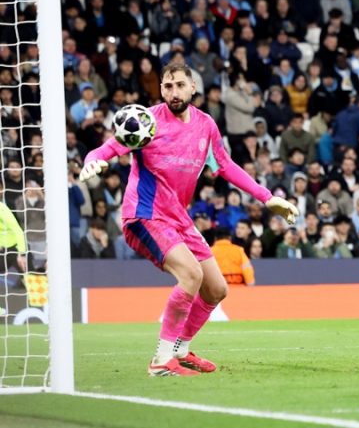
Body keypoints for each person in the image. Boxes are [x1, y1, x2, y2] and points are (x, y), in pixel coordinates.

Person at [79, 64, 299, 376]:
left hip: (179, 218)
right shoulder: (146, 121)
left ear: (193, 87)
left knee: (216, 288)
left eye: (180, 85)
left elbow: (225, 166)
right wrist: (93, 161)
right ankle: (161, 360)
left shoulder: (205, 125)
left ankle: (180, 349)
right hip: (145, 214)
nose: (174, 92)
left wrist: (267, 197)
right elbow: (107, 148)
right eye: (168, 86)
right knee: (191, 274)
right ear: (161, 89)